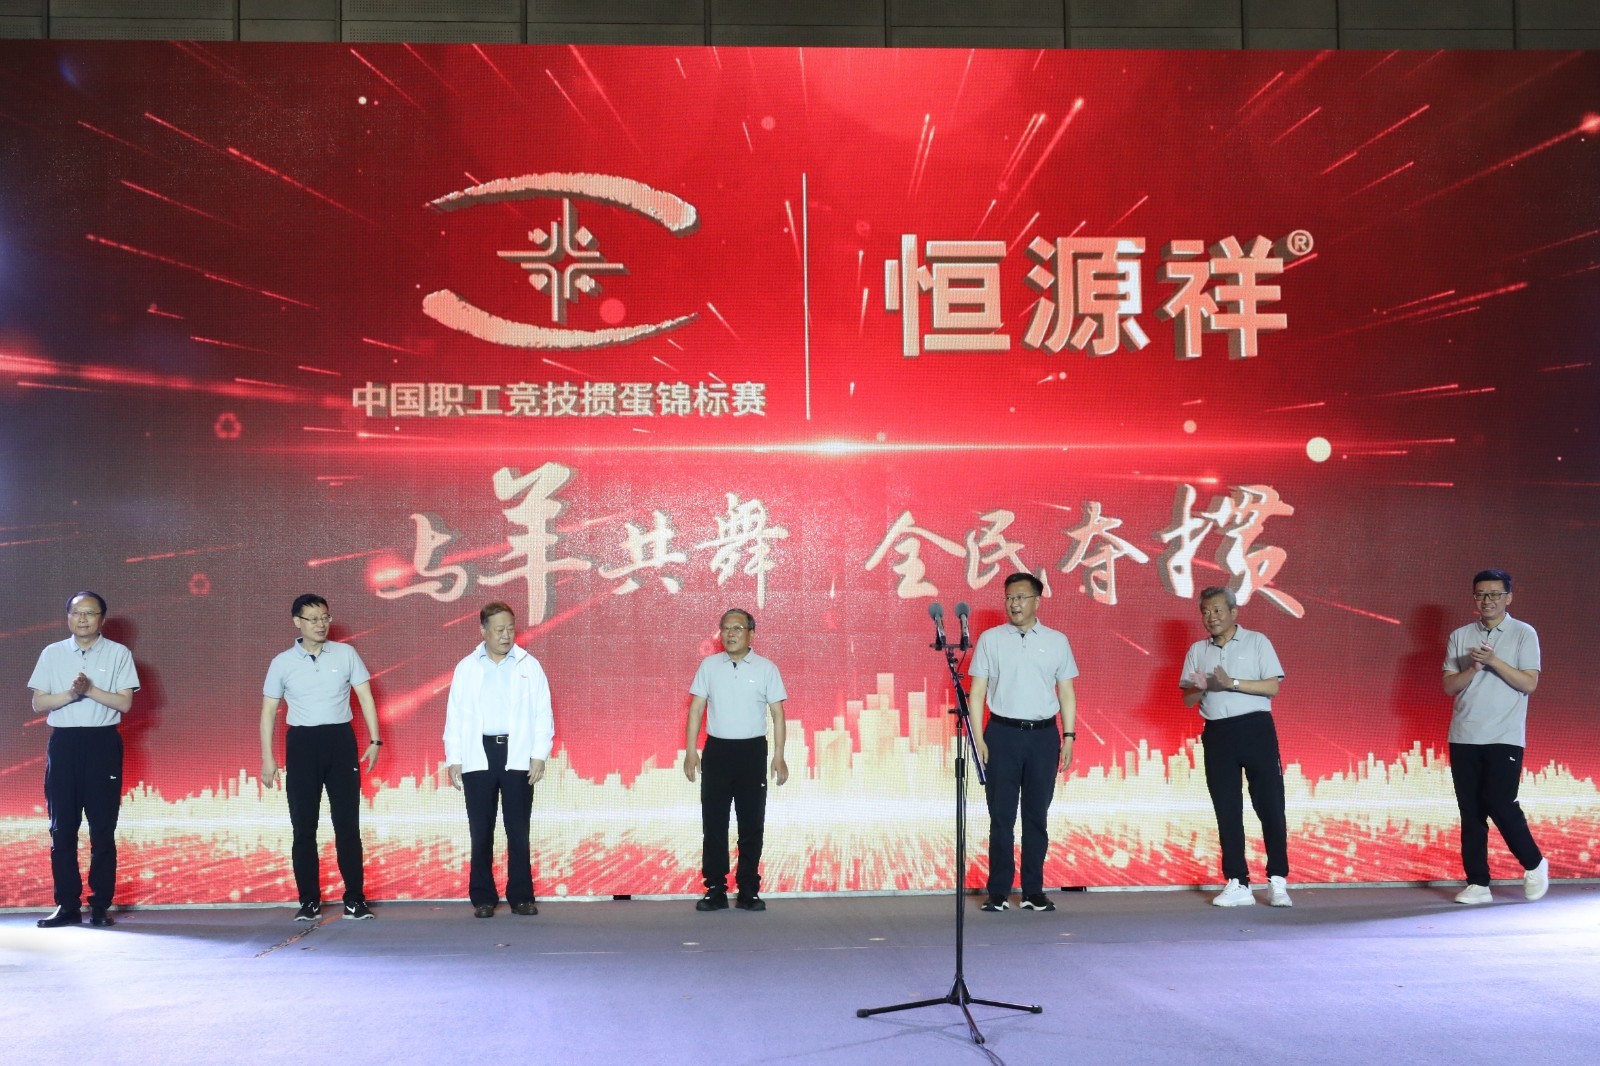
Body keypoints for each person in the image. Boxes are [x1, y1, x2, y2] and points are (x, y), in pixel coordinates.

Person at [260, 594, 382, 921]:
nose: (321, 624)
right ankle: (309, 901)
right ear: (297, 622)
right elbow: (268, 712)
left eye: (325, 617)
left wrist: (375, 739)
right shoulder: (282, 662)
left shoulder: (346, 654)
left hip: (340, 741)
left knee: (347, 825)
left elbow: (365, 697)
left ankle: (355, 900)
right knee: (303, 827)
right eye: (313, 619)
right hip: (302, 744)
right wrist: (268, 759)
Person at [28, 591, 140, 928]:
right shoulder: (52, 653)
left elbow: (124, 703)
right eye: (77, 612)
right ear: (68, 616)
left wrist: (89, 690)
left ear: (102, 618)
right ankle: (67, 905)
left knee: (102, 829)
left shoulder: (119, 653)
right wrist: (71, 694)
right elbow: (38, 703)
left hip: (102, 742)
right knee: (62, 828)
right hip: (64, 743)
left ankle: (101, 906)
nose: (83, 618)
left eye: (90, 613)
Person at [970, 572, 1077, 913]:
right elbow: (977, 692)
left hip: (1044, 736)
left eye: (1020, 597)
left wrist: (1069, 736)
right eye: (1009, 598)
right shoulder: (990, 639)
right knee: (1001, 817)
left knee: (1036, 817)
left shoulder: (1057, 641)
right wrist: (978, 738)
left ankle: (1033, 891)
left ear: (1036, 601)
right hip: (1001, 734)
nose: (1013, 604)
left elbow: (1066, 692)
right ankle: (998, 892)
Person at [1179, 586, 1291, 908]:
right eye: (1205, 611)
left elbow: (1272, 687)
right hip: (1217, 733)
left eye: (1217, 610)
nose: (1211, 617)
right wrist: (1200, 687)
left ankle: (1277, 880)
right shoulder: (1197, 650)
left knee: (1270, 806)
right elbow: (1187, 700)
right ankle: (1237, 882)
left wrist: (1232, 684)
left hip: (1256, 729)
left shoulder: (1257, 641)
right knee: (1227, 809)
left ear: (1233, 612)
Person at [1442, 569, 1547, 904]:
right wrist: (1473, 668)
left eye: (1494, 594)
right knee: (1471, 812)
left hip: (1504, 734)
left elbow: (1528, 683)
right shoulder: (1460, 635)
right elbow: (1449, 686)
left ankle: (1534, 863)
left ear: (1508, 597)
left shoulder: (1523, 633)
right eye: (1480, 594)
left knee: (1500, 802)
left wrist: (1493, 661)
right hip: (1464, 734)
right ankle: (1478, 883)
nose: (1487, 601)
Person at [443, 601, 553, 918]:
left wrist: (539, 755)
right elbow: (455, 715)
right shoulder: (467, 668)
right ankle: (483, 898)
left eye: (510, 629)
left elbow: (543, 712)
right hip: (478, 753)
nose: (506, 635)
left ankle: (521, 896)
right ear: (483, 631)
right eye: (499, 630)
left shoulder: (529, 666)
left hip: (517, 753)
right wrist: (454, 757)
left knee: (518, 830)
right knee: (481, 830)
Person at [683, 608, 788, 912]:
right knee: (714, 823)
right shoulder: (709, 666)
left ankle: (748, 890)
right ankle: (715, 889)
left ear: (751, 634)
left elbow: (778, 714)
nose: (730, 634)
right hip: (717, 752)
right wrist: (691, 750)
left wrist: (779, 755)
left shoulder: (767, 668)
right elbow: (696, 709)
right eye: (726, 628)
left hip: (752, 753)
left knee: (751, 823)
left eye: (738, 628)